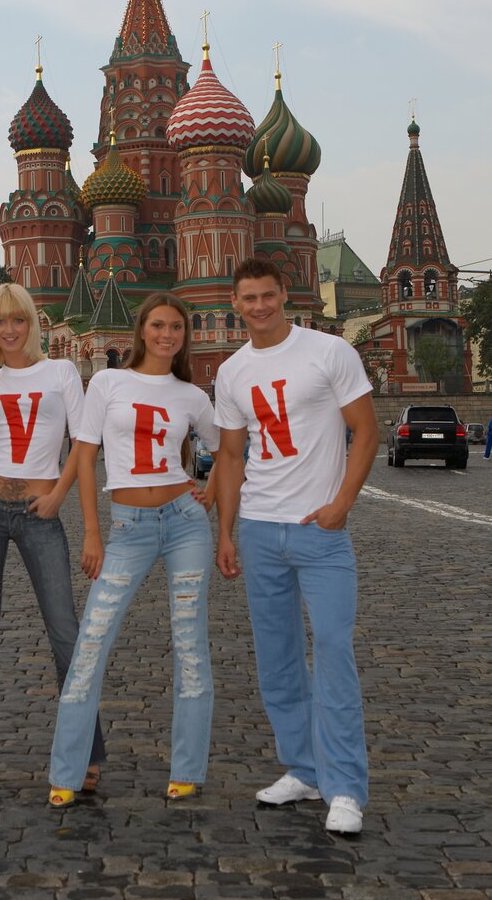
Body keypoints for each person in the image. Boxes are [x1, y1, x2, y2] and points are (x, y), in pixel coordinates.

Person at [213, 258, 379, 835]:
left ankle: (346, 787)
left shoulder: (329, 352)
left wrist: (342, 505)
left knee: (333, 651)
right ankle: (304, 769)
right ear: (235, 303)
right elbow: (231, 456)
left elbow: (366, 428)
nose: (259, 306)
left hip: (319, 530)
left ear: (285, 295)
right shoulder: (232, 371)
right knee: (278, 660)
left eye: (267, 295)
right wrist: (227, 532)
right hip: (260, 528)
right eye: (248, 298)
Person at [0, 283, 105, 795]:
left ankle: (86, 747)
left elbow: (83, 442)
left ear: (32, 323)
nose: (9, 330)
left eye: (18, 320)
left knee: (66, 633)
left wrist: (59, 496)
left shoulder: (62, 372)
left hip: (39, 509)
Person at [48, 292, 219, 808]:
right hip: (126, 527)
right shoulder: (107, 382)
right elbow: (84, 456)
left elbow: (228, 449)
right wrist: (92, 532)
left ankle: (187, 769)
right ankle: (66, 771)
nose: (167, 335)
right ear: (142, 330)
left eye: (176, 328)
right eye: (159, 326)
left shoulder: (191, 395)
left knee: (190, 645)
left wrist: (208, 493)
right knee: (92, 643)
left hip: (185, 523)